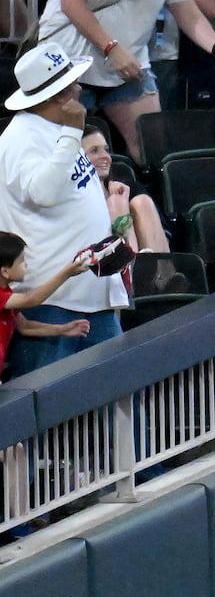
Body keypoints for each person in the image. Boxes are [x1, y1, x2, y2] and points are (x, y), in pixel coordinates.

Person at [35, 0, 215, 164]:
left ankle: (148, 199)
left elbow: (188, 12)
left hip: (129, 61)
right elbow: (71, 2)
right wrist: (111, 47)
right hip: (69, 61)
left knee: (151, 145)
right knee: (58, 144)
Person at [0, 41, 130, 376]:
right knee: (50, 414)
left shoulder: (57, 131)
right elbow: (42, 192)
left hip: (89, 293)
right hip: (51, 301)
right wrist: (73, 132)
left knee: (117, 401)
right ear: (59, 95)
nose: (80, 87)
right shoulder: (20, 138)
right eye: (73, 83)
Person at [0, 230, 90, 380]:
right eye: (22, 261)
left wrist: (62, 330)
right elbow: (31, 299)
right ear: (5, 271)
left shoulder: (7, 294)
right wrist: (67, 273)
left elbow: (25, 326)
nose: (26, 265)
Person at [81, 123, 171, 255]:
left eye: (106, 149)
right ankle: (131, 272)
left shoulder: (130, 188)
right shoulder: (73, 198)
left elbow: (164, 238)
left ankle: (159, 273)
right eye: (94, 151)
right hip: (100, 262)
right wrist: (119, 207)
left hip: (150, 257)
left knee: (141, 202)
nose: (105, 156)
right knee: (117, 205)